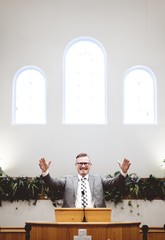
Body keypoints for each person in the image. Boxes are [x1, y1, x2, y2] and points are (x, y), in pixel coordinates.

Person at [39, 153, 131, 208]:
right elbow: (53, 184)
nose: (83, 166)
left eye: (85, 163)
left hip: (96, 219)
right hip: (71, 218)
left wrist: (123, 172)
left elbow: (115, 183)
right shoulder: (68, 180)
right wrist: (45, 172)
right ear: (76, 165)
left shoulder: (98, 179)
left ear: (90, 164)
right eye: (80, 163)